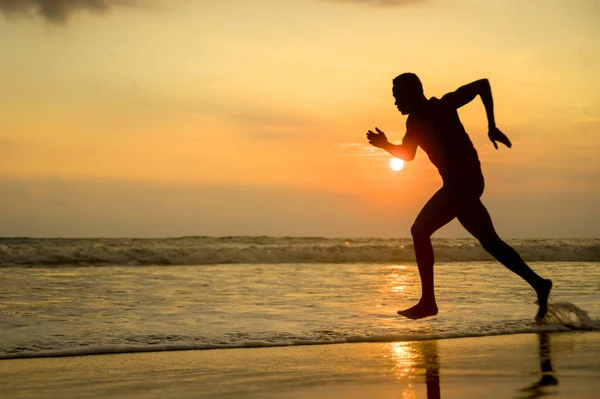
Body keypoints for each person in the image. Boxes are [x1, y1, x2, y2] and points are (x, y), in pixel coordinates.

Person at [366, 73, 552, 322]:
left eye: (398, 97)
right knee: (491, 242)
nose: (396, 102)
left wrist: (491, 125)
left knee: (419, 231)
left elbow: (482, 85)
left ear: (413, 93)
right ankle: (539, 284)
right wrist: (385, 144)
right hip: (459, 186)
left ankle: (428, 302)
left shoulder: (443, 105)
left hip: (463, 183)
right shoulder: (414, 123)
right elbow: (408, 155)